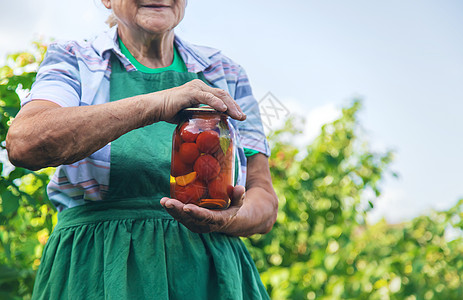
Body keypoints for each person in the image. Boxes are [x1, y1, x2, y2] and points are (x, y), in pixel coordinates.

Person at [6, 0, 278, 299]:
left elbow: (263, 200)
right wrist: (155, 104)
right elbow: (25, 143)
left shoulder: (224, 71)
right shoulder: (75, 59)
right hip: (99, 269)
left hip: (209, 277)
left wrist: (228, 219)